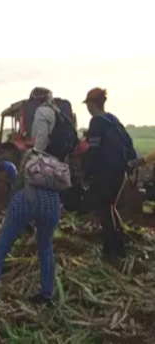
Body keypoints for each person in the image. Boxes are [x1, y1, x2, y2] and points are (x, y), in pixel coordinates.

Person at [0, 88, 66, 306]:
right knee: (46, 247)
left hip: (28, 196)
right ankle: (47, 293)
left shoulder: (41, 115)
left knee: (2, 245)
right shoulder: (62, 121)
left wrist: (15, 194)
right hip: (51, 200)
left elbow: (31, 160)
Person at [83, 87, 135, 261]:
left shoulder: (97, 122)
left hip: (107, 171)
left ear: (92, 104)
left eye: (88, 104)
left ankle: (110, 252)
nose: (87, 108)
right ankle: (120, 247)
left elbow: (93, 151)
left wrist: (87, 172)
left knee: (104, 209)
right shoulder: (112, 119)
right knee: (111, 206)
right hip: (120, 171)